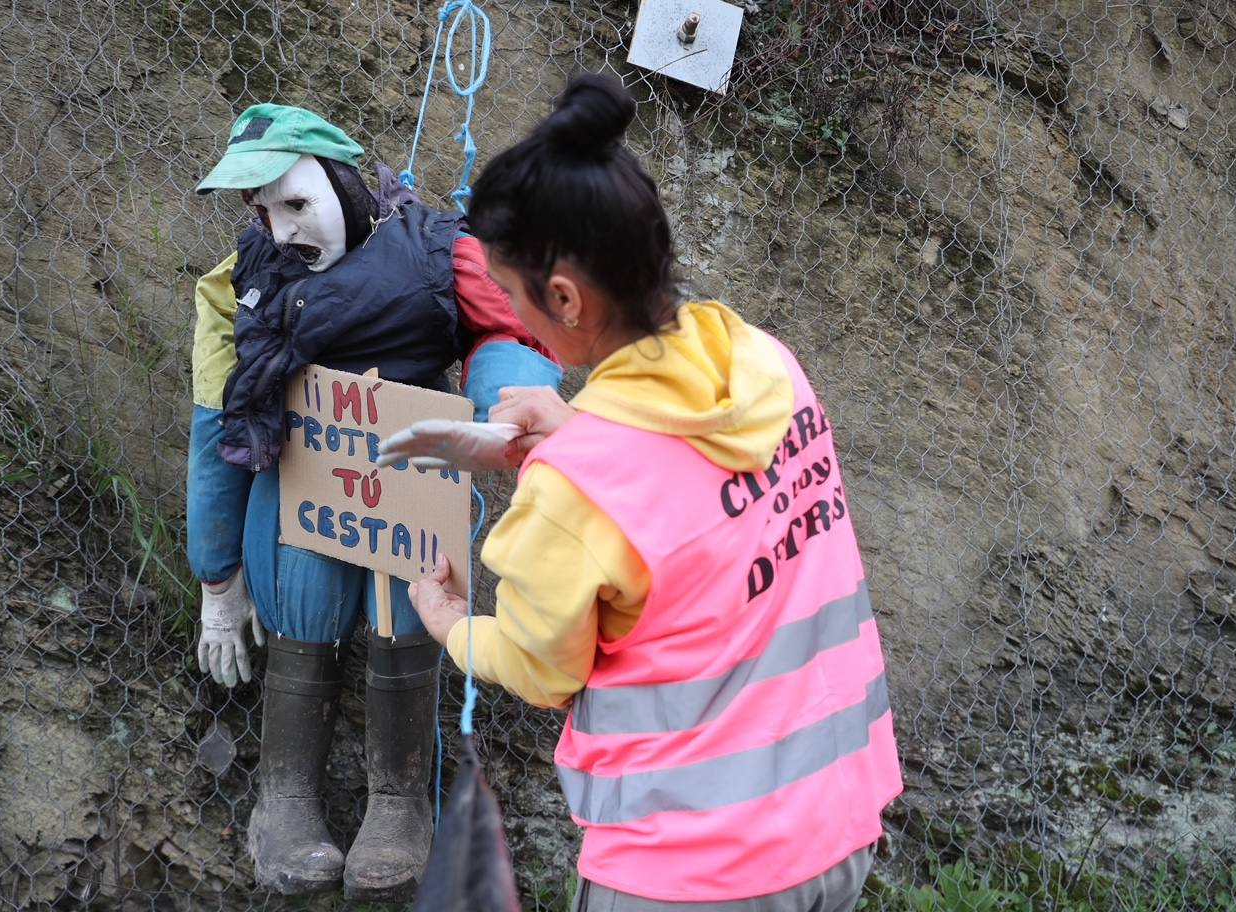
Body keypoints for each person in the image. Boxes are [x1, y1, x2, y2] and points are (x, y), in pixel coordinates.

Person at [396, 74, 904, 911]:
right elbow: (695, 498)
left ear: (562, 299)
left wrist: (450, 622)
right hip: (835, 827)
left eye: (508, 294)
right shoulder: (764, 365)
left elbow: (539, 667)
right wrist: (573, 429)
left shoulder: (577, 489)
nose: (510, 316)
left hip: (694, 872)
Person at [185, 102, 561, 899]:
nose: (282, 229)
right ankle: (284, 798)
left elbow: (504, 336)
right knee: (306, 593)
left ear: (345, 183)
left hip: (410, 474)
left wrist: (509, 408)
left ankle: (399, 802)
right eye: (262, 210)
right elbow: (216, 414)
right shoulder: (245, 278)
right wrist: (216, 575)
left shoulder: (438, 251)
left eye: (296, 203)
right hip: (300, 480)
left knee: (411, 595)